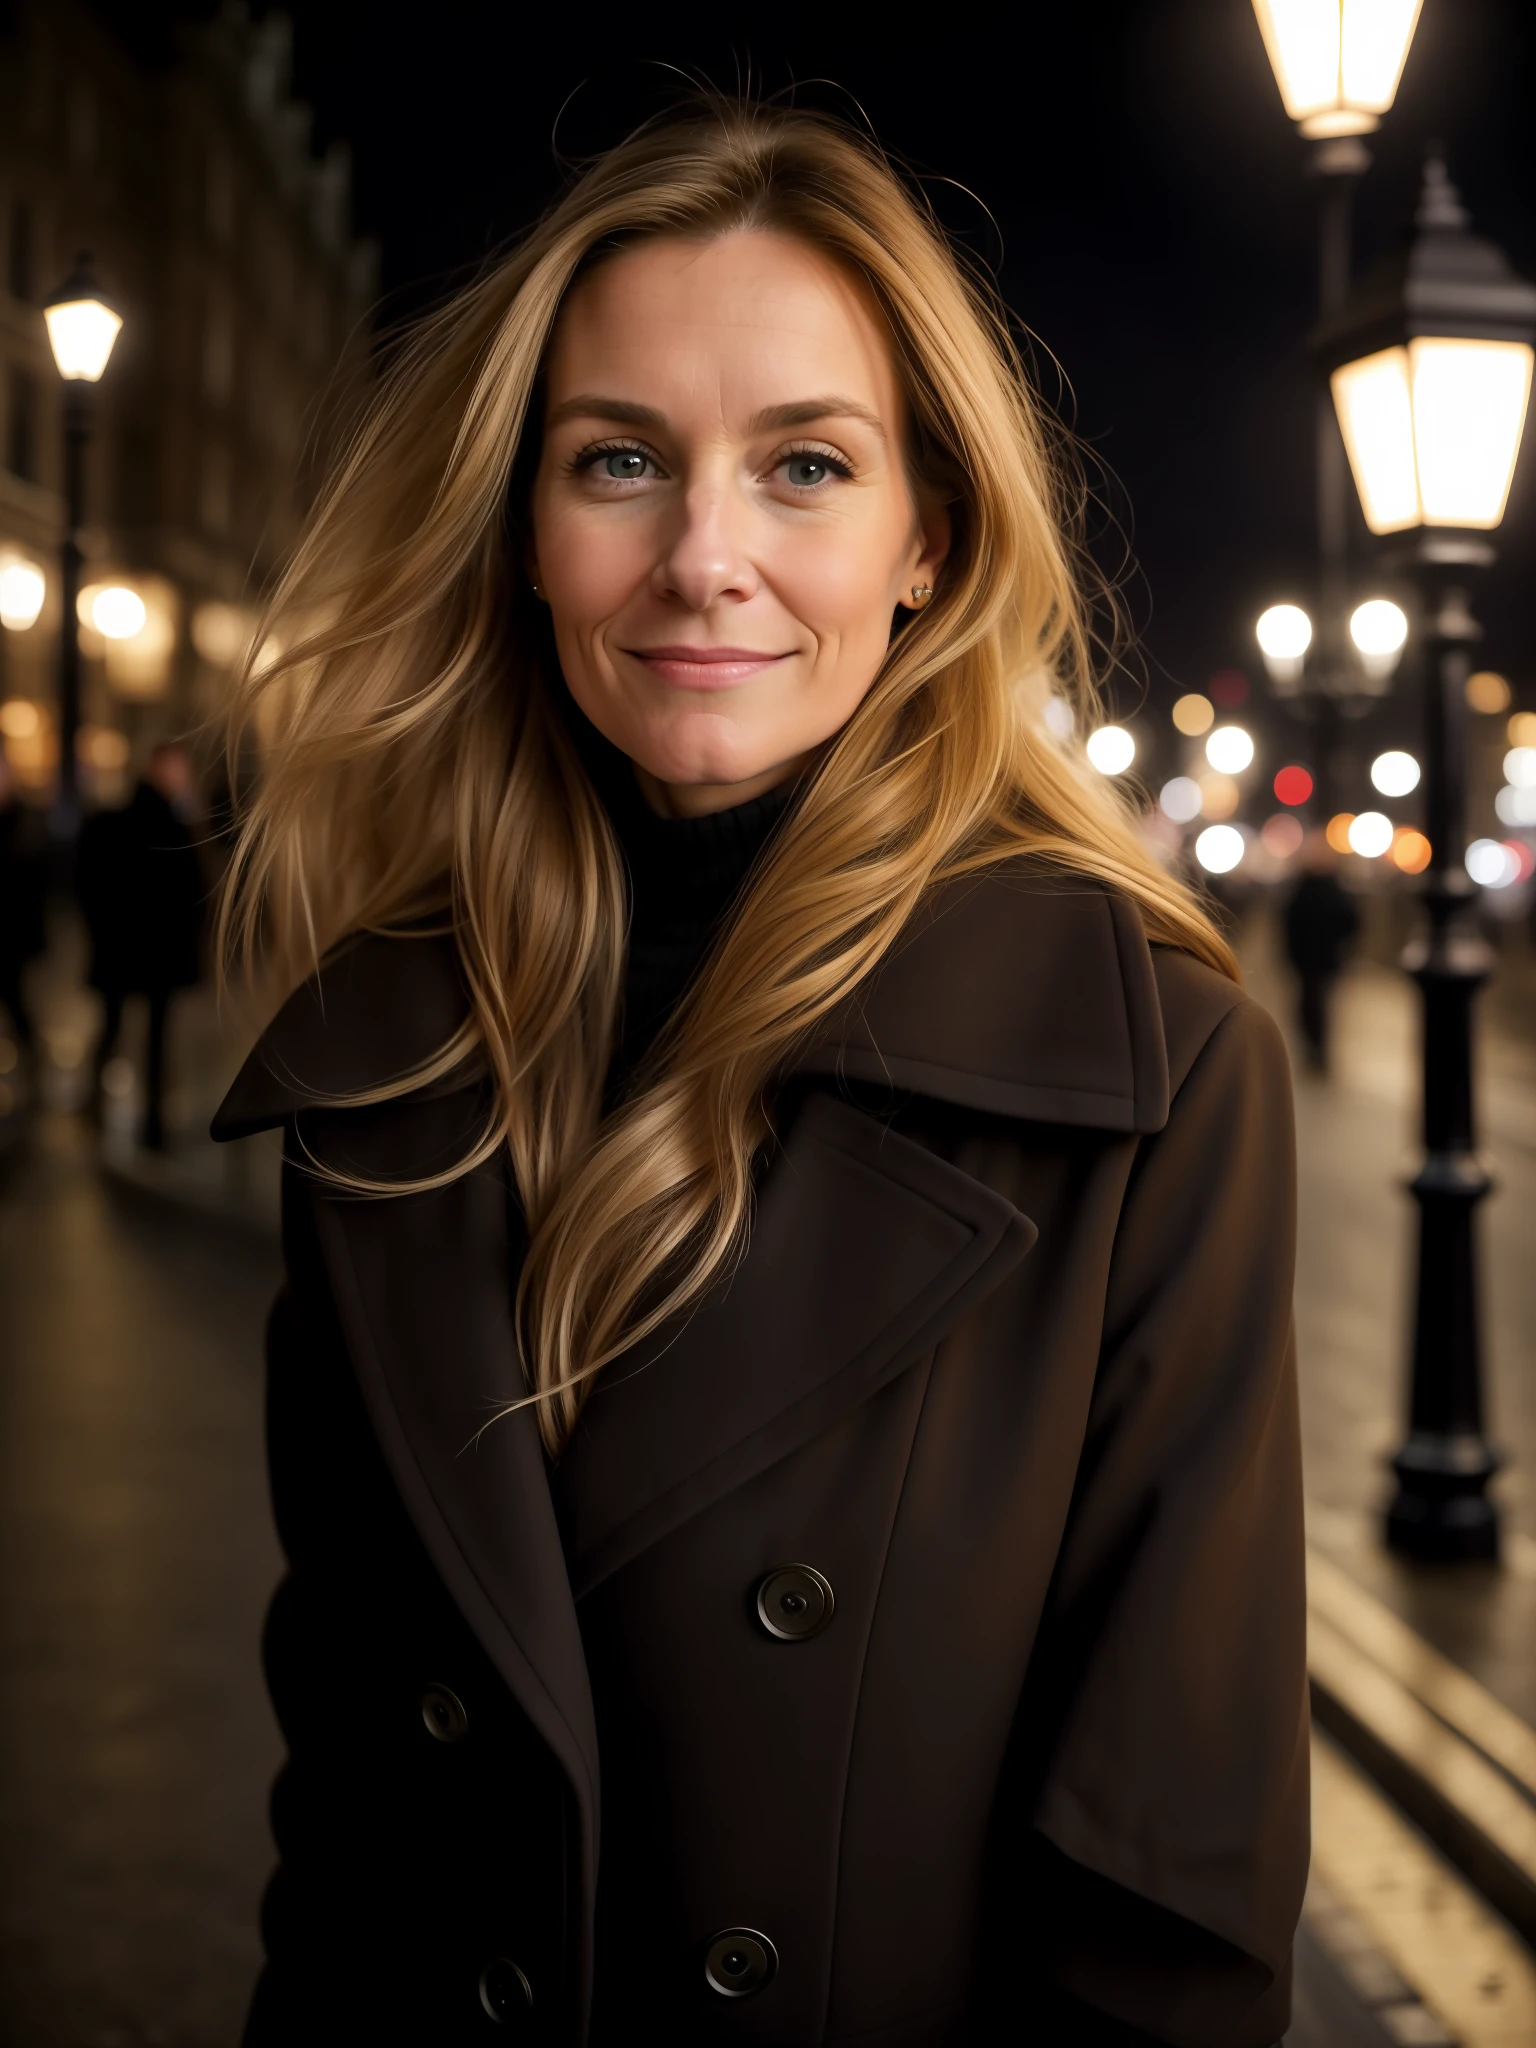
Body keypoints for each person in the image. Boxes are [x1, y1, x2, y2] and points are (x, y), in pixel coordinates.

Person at [213, 105, 1306, 2046]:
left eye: (805, 465)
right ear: (521, 534)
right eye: (618, 461)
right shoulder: (385, 1053)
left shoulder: (1155, 1070)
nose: (703, 557)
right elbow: (356, 1816)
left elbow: (1166, 1888)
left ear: (927, 545)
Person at [77, 741, 205, 1150]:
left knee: (120, 1027)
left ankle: (102, 1107)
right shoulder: (165, 823)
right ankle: (147, 1120)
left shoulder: (125, 820)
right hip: (151, 949)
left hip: (127, 948)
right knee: (147, 1034)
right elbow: (191, 891)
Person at [1283, 830, 1360, 1073]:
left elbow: (1351, 921)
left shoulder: (1331, 887)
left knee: (1319, 1004)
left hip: (1324, 958)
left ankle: (1319, 1050)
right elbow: (1288, 922)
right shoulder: (1304, 887)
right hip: (1307, 958)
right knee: (1309, 1003)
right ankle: (1313, 1047)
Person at [0, 749, 45, 1066]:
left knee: (17, 1003)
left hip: (11, 932)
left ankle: (32, 1064)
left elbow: (36, 885)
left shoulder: (25, 823)